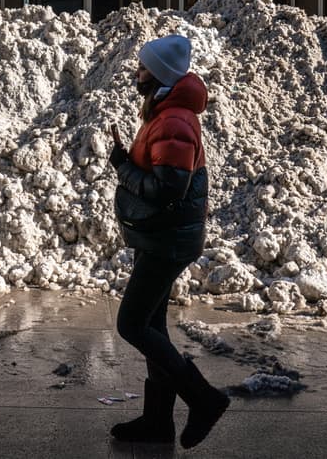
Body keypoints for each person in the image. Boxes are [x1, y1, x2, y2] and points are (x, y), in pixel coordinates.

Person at [107, 34, 229, 450]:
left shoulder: (174, 121)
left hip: (168, 239)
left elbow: (165, 190)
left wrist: (123, 166)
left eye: (143, 68)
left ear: (158, 73)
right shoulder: (165, 113)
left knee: (132, 324)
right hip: (162, 236)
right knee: (152, 325)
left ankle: (204, 399)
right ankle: (158, 422)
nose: (137, 74)